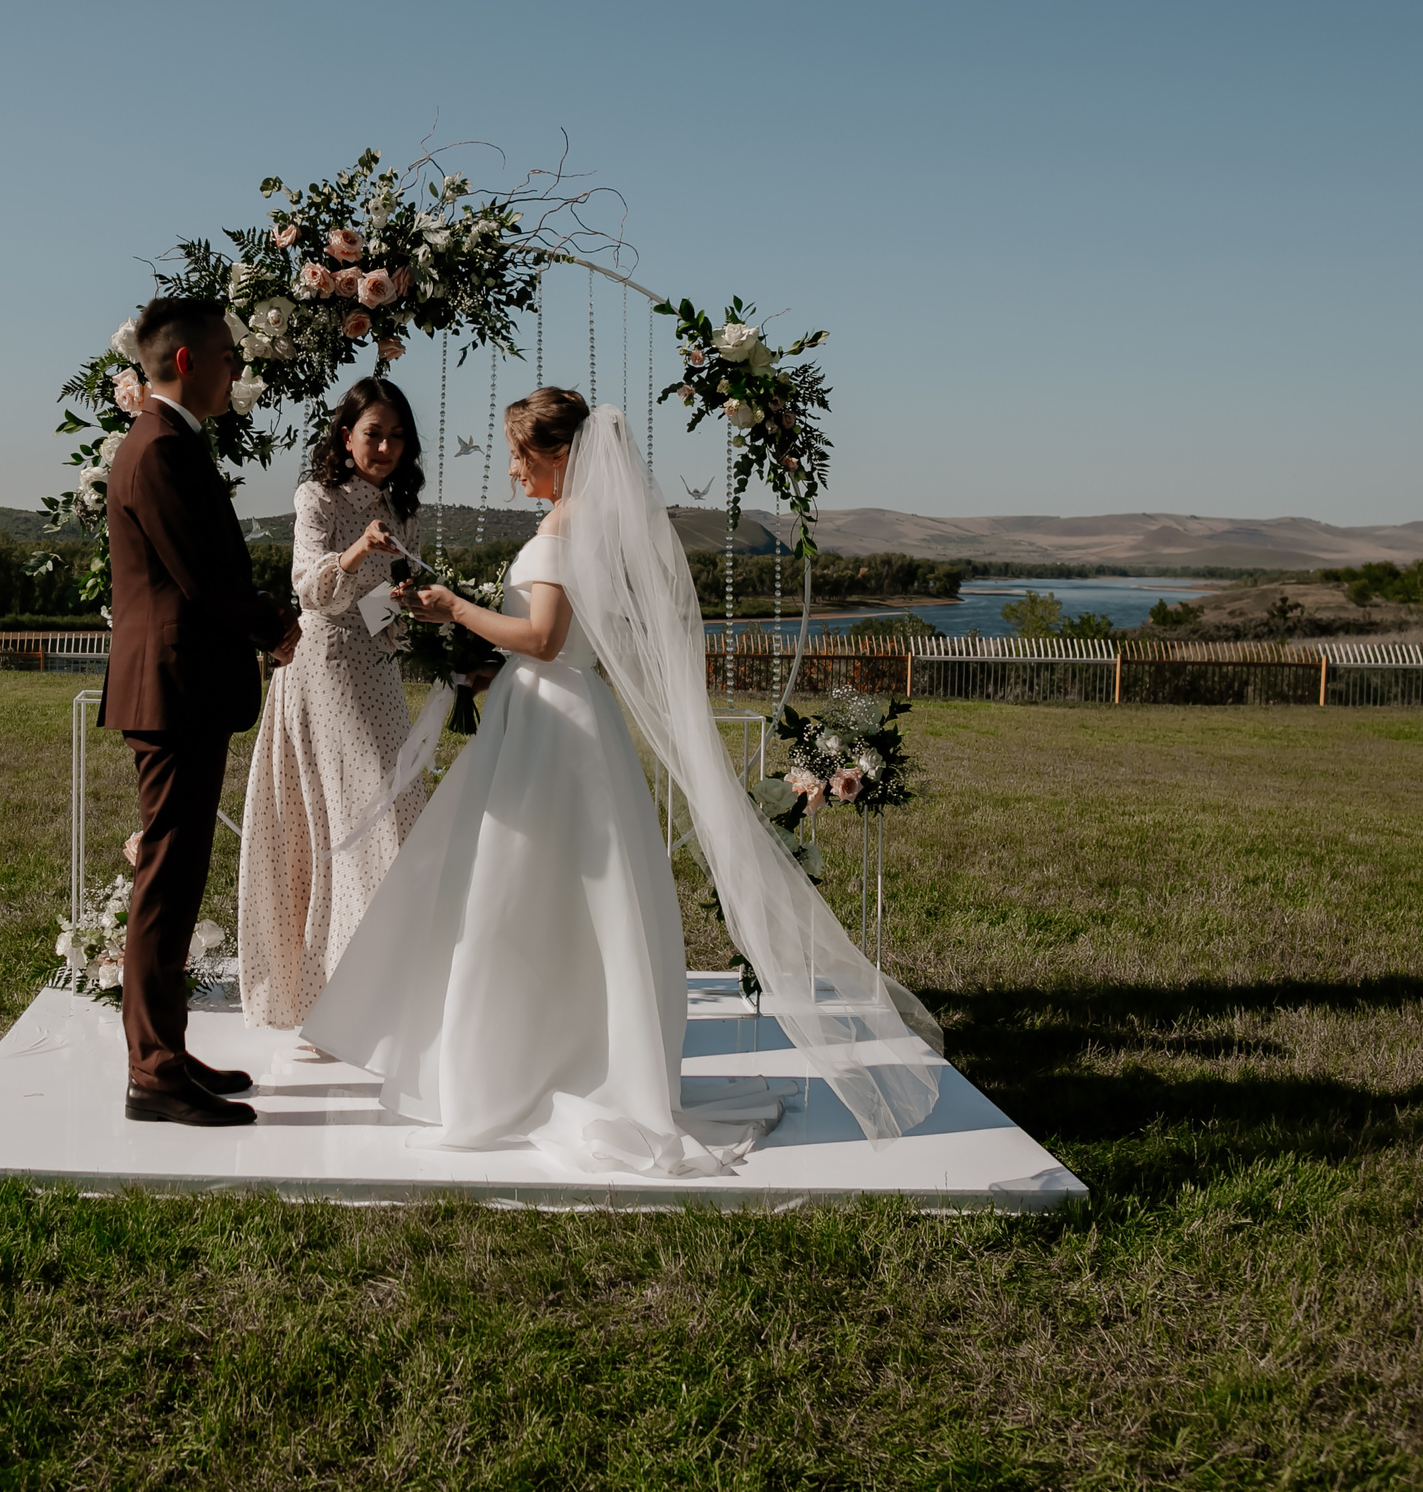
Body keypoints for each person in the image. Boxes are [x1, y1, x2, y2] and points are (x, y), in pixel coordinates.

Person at [302, 389, 945, 1175]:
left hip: (551, 729)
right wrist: (449, 620)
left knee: (515, 896)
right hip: (550, 717)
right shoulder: (580, 527)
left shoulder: (565, 529)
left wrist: (460, 608)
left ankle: (515, 1068)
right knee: (538, 895)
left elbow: (542, 638)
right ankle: (533, 1053)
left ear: (562, 456)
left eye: (520, 455)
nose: (511, 471)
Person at [100, 296, 298, 1127]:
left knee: (177, 879)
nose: (235, 369)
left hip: (183, 685)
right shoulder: (160, 450)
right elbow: (204, 578)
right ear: (186, 360)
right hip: (174, 687)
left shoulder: (171, 441)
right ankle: (153, 1073)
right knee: (166, 881)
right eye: (227, 355)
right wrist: (274, 625)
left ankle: (169, 1050)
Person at [237, 377, 427, 1030]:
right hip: (322, 672)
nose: (386, 446)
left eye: (397, 435)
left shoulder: (404, 510)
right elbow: (312, 594)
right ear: (346, 437)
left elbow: (378, 609)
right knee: (348, 823)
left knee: (395, 813)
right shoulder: (315, 496)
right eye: (374, 433)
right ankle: (331, 1006)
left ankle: (385, 995)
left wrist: (408, 611)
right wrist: (358, 550)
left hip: (376, 674)